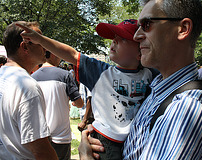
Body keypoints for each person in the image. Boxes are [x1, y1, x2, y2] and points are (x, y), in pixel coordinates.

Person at [78, 0, 202, 159]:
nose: (137, 35)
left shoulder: (187, 107)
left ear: (183, 29)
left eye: (147, 25)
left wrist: (86, 157)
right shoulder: (157, 87)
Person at [17, 18, 157, 160]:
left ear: (140, 51)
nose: (113, 41)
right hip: (105, 142)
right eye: (114, 38)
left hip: (135, 141)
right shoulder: (101, 72)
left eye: (122, 39)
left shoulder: (151, 75)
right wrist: (40, 40)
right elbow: (72, 54)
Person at [0, 21, 58, 159]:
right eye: (40, 42)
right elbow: (41, 150)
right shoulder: (27, 87)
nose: (46, 48)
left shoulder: (3, 76)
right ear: (25, 46)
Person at [32, 50, 84, 160]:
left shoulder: (32, 77)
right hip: (61, 137)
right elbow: (79, 103)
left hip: (40, 136)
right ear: (53, 54)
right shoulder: (65, 75)